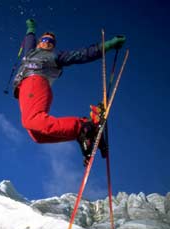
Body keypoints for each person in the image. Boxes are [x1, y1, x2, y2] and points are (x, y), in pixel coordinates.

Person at [13, 19, 125, 165]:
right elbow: (29, 39)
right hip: (24, 91)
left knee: (31, 120)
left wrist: (108, 45)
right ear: (39, 41)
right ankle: (84, 134)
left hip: (35, 82)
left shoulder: (55, 56)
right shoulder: (30, 52)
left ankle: (82, 126)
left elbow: (81, 55)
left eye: (51, 42)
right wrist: (31, 29)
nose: (47, 42)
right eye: (45, 39)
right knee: (38, 136)